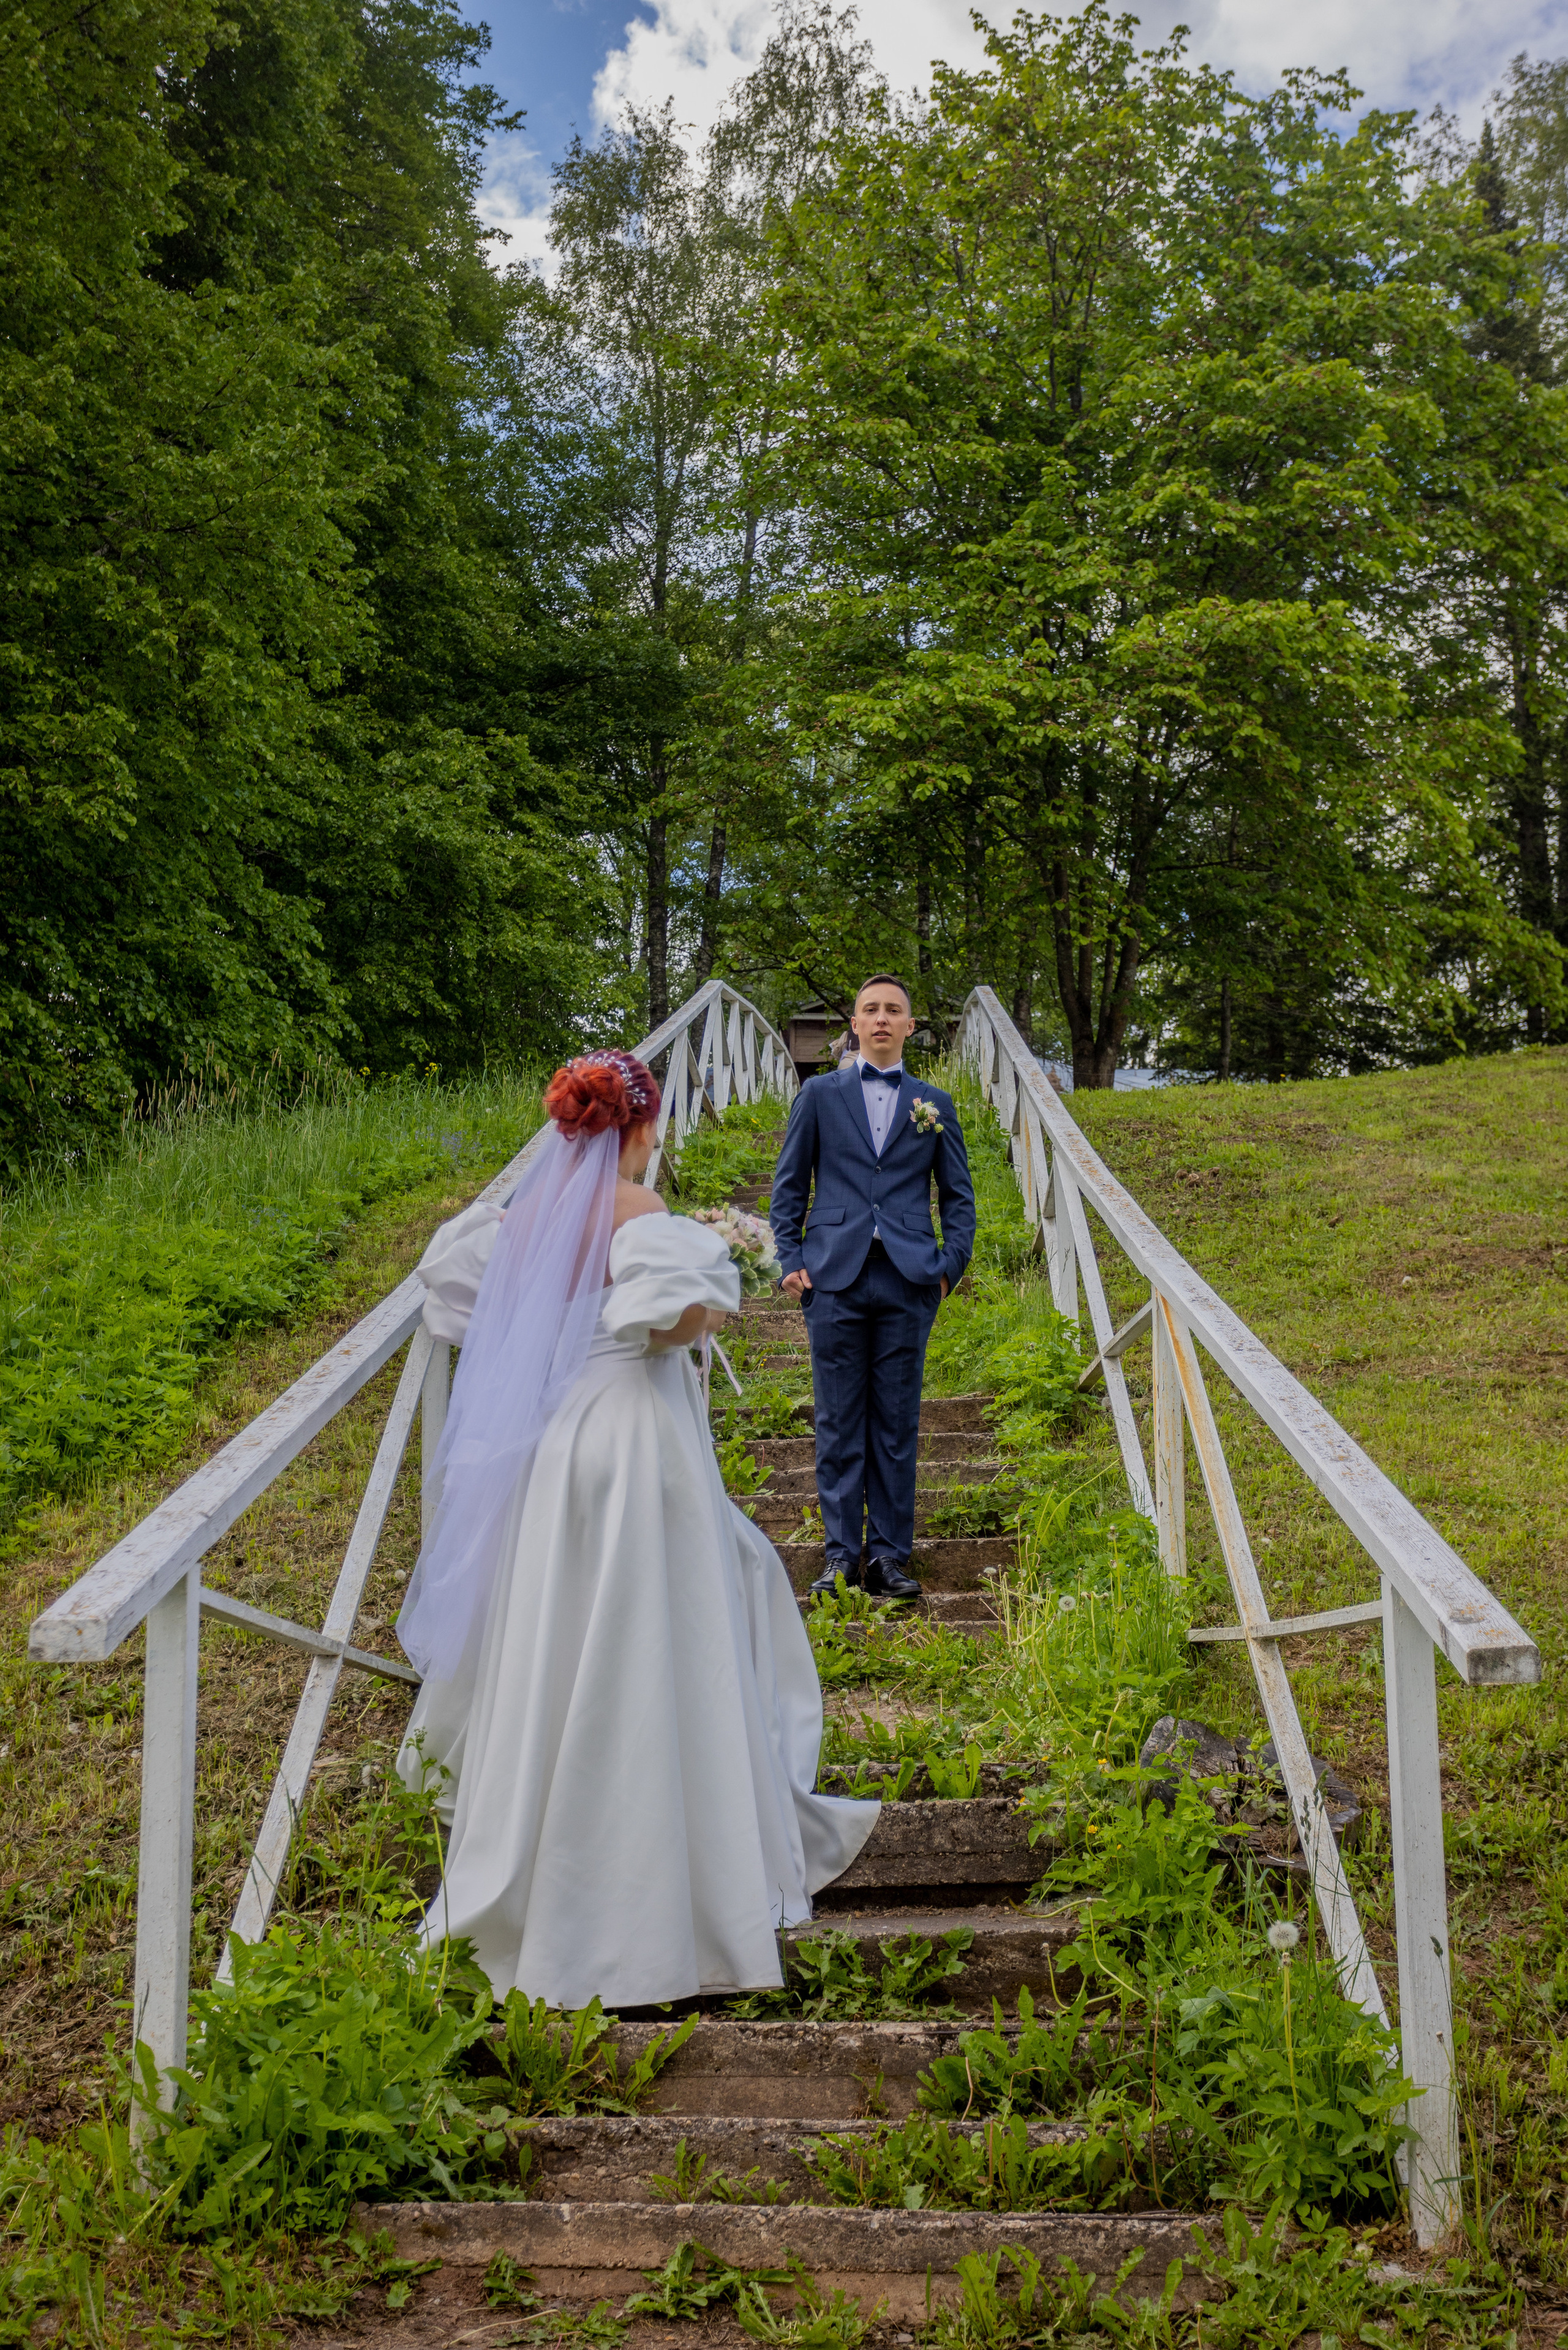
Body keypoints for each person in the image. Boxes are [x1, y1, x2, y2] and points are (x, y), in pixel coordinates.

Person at [393, 1049, 880, 2012]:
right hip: (634, 1439)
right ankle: (676, 1892)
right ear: (642, 1129)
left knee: (566, 1639)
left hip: (557, 1444)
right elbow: (676, 1325)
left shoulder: (512, 1223)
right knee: (659, 1634)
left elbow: (470, 1312)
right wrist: (715, 1276)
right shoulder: (640, 1214)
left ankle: (545, 1882)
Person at [769, 976, 976, 1602]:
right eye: (870, 1010)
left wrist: (949, 1266)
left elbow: (958, 1196)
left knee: (895, 1422)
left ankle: (887, 1556)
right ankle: (838, 1556)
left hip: (909, 1278)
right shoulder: (819, 1096)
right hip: (833, 1276)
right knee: (836, 1419)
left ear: (910, 1026)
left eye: (893, 1011)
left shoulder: (933, 1102)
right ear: (854, 1026)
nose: (881, 1019)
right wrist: (790, 1258)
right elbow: (788, 1186)